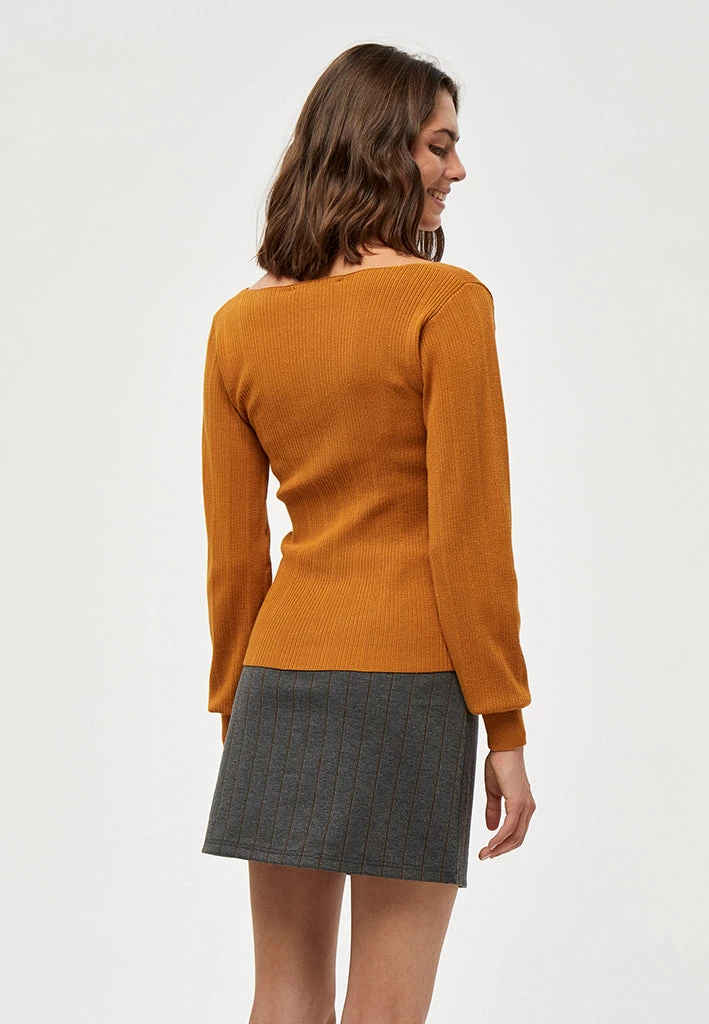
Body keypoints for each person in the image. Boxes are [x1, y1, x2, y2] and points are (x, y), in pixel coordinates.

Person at [200, 41, 536, 1024]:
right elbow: (469, 541)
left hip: (278, 681)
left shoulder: (237, 326)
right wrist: (505, 725)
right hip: (410, 686)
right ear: (380, 145)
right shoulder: (446, 303)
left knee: (281, 997)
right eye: (439, 145)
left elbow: (233, 556)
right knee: (386, 1010)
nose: (457, 169)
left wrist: (236, 710)